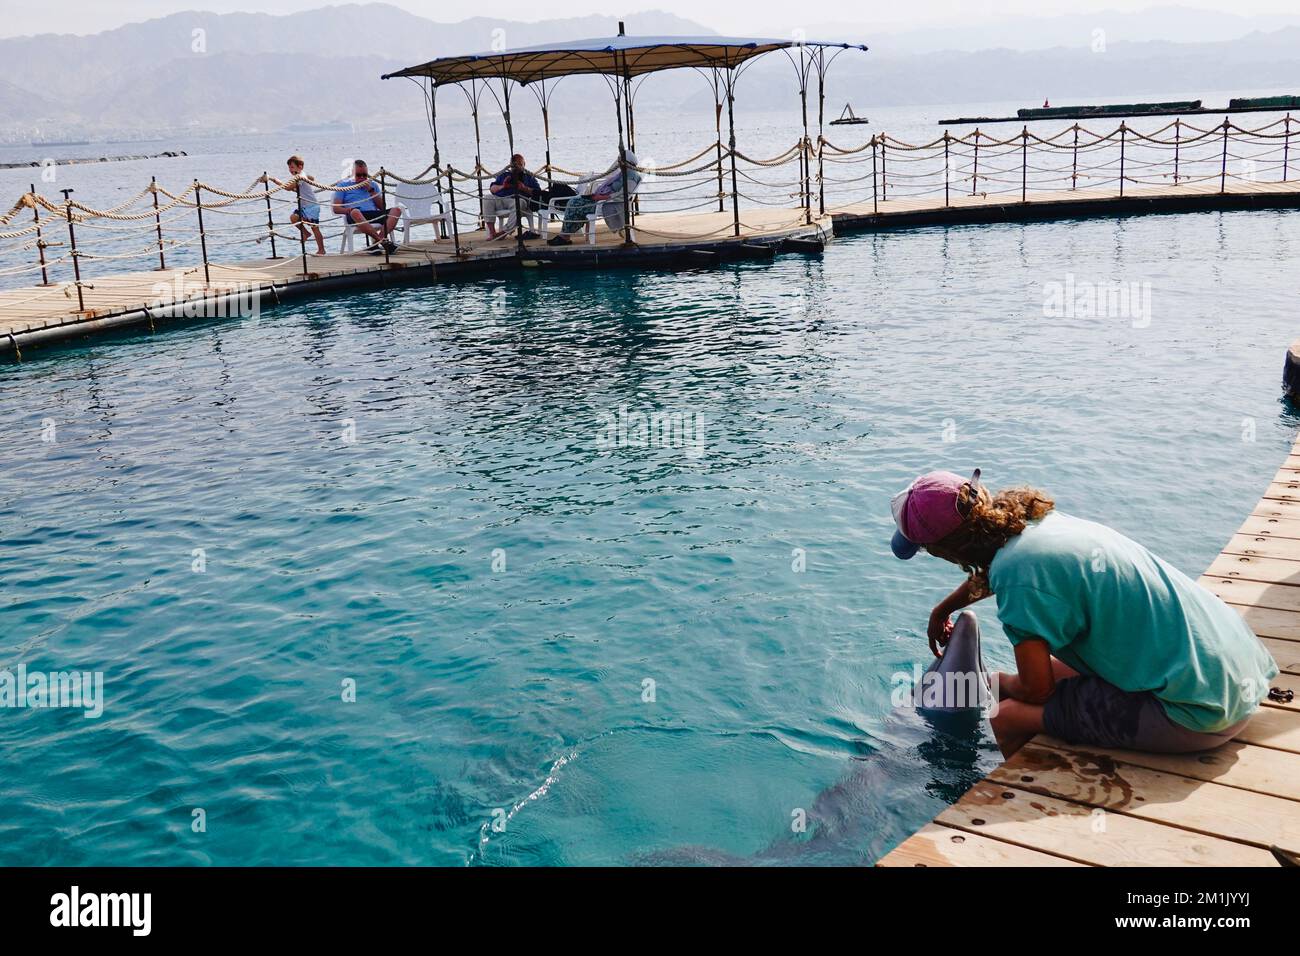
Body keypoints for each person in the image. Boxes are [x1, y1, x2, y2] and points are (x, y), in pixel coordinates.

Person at [889, 468, 1278, 759]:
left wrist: (1032, 695)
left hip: (1199, 717)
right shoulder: (1037, 524)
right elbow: (1006, 573)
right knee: (1008, 680)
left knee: (1005, 716)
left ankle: (1022, 807)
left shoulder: (1018, 582)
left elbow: (1038, 689)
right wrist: (947, 608)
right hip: (1238, 675)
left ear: (943, 550)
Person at [547, 150, 641, 246]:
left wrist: (601, 197)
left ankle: (564, 236)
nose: (619, 163)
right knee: (574, 201)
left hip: (607, 203)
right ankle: (565, 235)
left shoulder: (631, 177)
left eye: (620, 161)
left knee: (574, 204)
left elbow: (622, 195)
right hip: (602, 199)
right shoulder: (626, 173)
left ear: (626, 162)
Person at [331, 159, 398, 255]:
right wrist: (350, 210)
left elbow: (382, 207)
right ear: (352, 173)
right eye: (358, 175)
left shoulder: (373, 185)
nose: (362, 178)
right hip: (355, 214)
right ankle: (384, 243)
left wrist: (370, 190)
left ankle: (375, 243)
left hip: (373, 213)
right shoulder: (343, 185)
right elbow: (336, 209)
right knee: (355, 212)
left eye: (364, 175)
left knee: (396, 210)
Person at [481, 154, 540, 240]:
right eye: (514, 164)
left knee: (519, 202)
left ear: (524, 164)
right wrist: (503, 186)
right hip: (501, 199)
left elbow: (537, 192)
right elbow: (492, 189)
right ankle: (492, 232)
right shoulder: (504, 175)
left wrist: (524, 188)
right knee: (487, 198)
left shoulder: (529, 177)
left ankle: (503, 233)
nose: (516, 167)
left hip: (518, 200)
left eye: (519, 164)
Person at [286, 155, 325, 256]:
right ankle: (306, 233)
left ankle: (321, 250)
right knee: (293, 218)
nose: (290, 169)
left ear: (300, 167)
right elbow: (311, 178)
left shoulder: (300, 177)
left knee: (314, 228)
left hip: (311, 206)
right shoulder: (301, 176)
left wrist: (275, 181)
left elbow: (288, 188)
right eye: (289, 167)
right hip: (305, 206)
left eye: (292, 167)